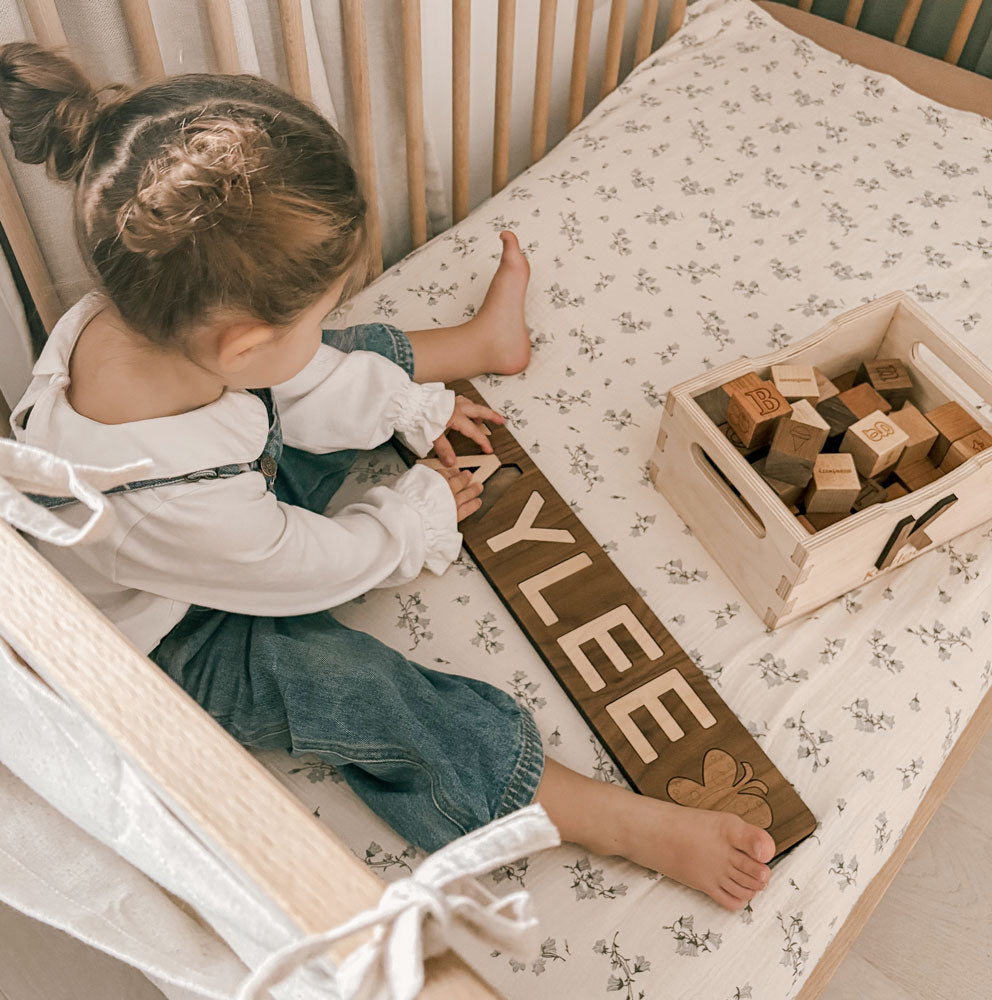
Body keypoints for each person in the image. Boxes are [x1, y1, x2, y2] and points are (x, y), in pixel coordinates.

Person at [0, 42, 774, 910]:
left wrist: (405, 405)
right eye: (316, 307)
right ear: (239, 348)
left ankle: (480, 346)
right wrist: (412, 517)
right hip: (172, 632)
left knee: (335, 359)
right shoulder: (167, 506)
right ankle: (601, 817)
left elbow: (296, 382)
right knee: (351, 686)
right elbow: (313, 566)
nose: (321, 324)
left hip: (219, 502)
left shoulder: (137, 320)